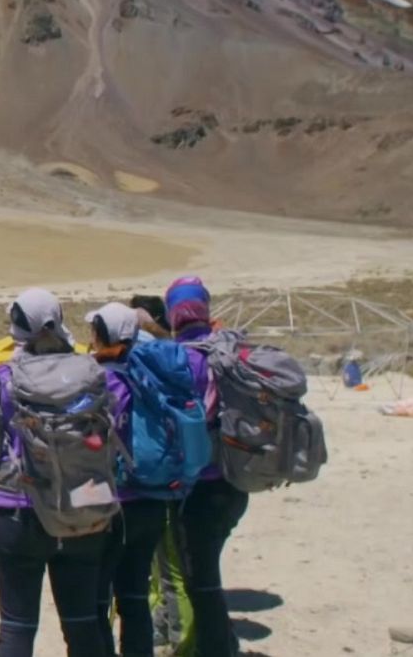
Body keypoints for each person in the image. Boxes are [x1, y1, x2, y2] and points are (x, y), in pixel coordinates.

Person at [0, 288, 111, 657]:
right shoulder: (90, 371)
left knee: (17, 626)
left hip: (21, 508)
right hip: (86, 504)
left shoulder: (4, 376)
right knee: (83, 623)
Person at [166, 277, 248, 657]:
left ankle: (217, 649)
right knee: (207, 571)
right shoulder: (228, 351)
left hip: (198, 486)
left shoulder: (177, 360)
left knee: (202, 581)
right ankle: (222, 643)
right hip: (235, 479)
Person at [86, 302, 171, 657]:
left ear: (103, 336)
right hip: (152, 495)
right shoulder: (153, 376)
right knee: (135, 595)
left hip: (110, 499)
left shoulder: (100, 380)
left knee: (97, 599)